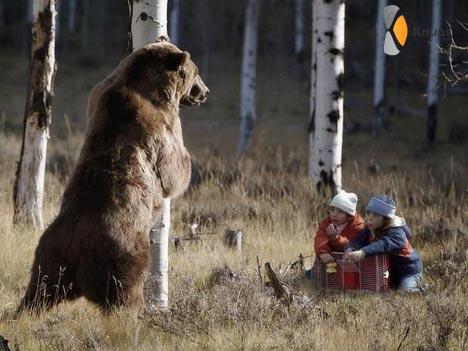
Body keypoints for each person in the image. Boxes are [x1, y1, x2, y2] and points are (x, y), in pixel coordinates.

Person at [343, 194, 424, 293]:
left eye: (376, 215)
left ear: (386, 218)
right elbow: (359, 240)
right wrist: (351, 248)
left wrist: (362, 252)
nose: (370, 218)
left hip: (408, 271)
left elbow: (383, 245)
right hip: (389, 271)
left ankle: (421, 291)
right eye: (368, 213)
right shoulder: (370, 228)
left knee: (404, 291)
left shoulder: (397, 233)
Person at [305, 191, 364, 279]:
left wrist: (335, 238)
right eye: (332, 210)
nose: (334, 215)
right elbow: (320, 238)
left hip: (348, 266)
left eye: (340, 212)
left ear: (349, 216)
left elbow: (349, 244)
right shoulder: (327, 222)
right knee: (310, 276)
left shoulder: (357, 226)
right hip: (327, 263)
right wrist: (323, 252)